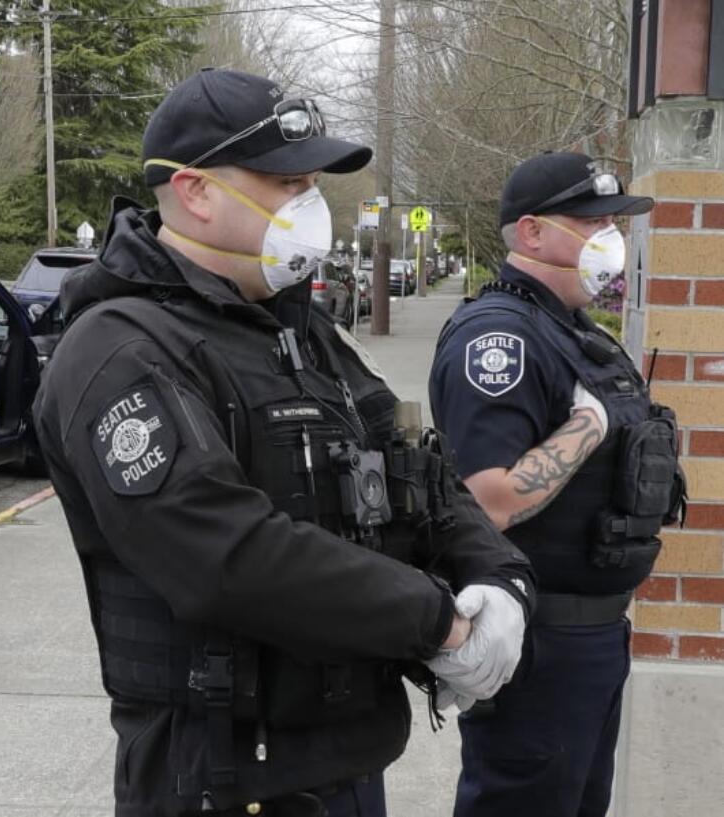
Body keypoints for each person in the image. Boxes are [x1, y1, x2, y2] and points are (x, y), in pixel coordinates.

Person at [32, 67, 536, 817]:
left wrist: (499, 578)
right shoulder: (119, 351)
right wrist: (439, 621)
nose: (311, 204)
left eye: (311, 183)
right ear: (198, 191)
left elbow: (415, 466)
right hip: (224, 779)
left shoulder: (301, 332)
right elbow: (226, 555)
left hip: (348, 761)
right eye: (286, 182)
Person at [429, 152, 688, 817]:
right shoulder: (500, 338)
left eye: (612, 221)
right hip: (542, 643)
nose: (610, 236)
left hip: (593, 639)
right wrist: (586, 426)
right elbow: (488, 501)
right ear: (533, 233)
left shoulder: (575, 334)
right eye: (591, 220)